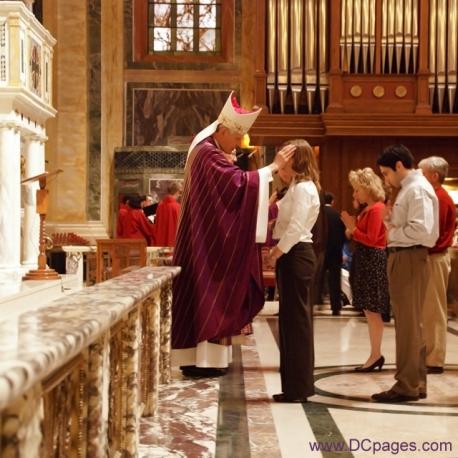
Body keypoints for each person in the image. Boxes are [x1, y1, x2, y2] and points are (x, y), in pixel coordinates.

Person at [172, 92, 295, 377]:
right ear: (223, 129)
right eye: (237, 136)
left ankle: (205, 359)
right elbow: (238, 185)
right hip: (207, 247)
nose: (240, 143)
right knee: (208, 293)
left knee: (206, 297)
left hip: (205, 240)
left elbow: (234, 188)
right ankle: (202, 360)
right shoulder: (207, 153)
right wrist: (273, 167)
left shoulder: (208, 150)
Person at [372, 144, 439, 403]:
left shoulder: (416, 189)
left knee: (408, 326)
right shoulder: (411, 189)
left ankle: (406, 385)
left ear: (399, 165)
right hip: (407, 256)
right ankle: (416, 381)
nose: (386, 178)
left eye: (387, 173)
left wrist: (391, 233)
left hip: (409, 256)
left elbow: (422, 230)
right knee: (412, 324)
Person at [267, 139, 320, 403]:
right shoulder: (296, 187)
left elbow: (297, 225)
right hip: (293, 254)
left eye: (287, 154)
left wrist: (277, 251)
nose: (282, 159)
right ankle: (293, 386)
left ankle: (298, 388)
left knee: (297, 323)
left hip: (296, 253)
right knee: (289, 322)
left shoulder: (304, 188)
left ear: (296, 159)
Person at [341, 168, 390, 372]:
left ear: (367, 188)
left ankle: (375, 354)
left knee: (373, 311)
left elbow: (371, 239)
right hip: (367, 259)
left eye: (357, 190)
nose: (355, 194)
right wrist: (353, 229)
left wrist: (352, 227)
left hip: (372, 260)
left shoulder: (377, 209)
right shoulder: (370, 208)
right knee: (369, 311)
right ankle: (374, 353)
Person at [418, 156, 456, 374]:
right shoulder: (435, 196)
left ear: (434, 176)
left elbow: (434, 232)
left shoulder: (439, 198)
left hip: (435, 257)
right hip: (432, 256)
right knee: (428, 309)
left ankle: (434, 359)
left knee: (433, 310)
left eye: (422, 173)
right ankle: (429, 354)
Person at [323, 192, 346, 315]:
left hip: (320, 252)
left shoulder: (318, 215)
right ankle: (335, 307)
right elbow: (344, 235)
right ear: (332, 202)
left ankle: (313, 304)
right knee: (334, 280)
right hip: (335, 252)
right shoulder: (338, 216)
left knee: (317, 279)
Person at [154, 182, 182, 247]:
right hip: (173, 241)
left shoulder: (160, 206)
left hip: (161, 241)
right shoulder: (177, 207)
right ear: (177, 192)